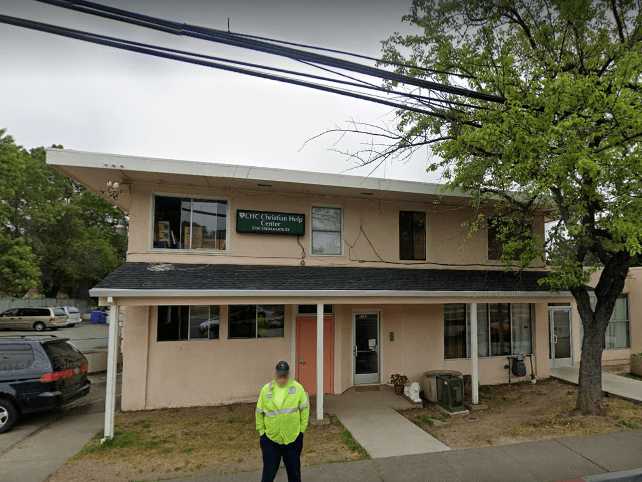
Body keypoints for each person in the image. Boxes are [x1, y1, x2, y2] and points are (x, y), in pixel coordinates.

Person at [256, 360, 309, 482]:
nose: (282, 378)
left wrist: (302, 430)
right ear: (276, 374)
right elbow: (259, 412)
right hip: (270, 440)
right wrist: (262, 433)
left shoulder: (297, 388)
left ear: (288, 374)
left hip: (293, 439)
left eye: (284, 375)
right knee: (268, 475)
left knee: (294, 475)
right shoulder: (266, 390)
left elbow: (304, 410)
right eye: (280, 374)